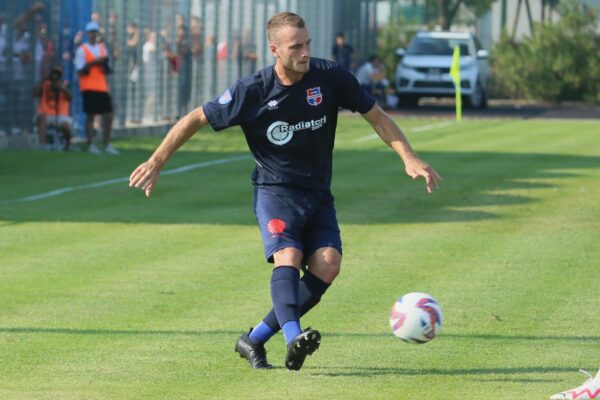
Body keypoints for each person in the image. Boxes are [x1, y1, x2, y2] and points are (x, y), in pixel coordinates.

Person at [128, 12, 440, 371]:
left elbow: (378, 117)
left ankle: (255, 338)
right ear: (275, 50)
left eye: (307, 44)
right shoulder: (252, 90)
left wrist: (409, 158)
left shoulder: (330, 76)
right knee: (288, 257)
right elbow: (195, 118)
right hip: (275, 193)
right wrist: (156, 162)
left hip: (318, 194)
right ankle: (293, 337)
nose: (305, 52)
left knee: (328, 266)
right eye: (296, 47)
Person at [74, 21, 119, 154]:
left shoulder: (102, 49)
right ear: (87, 34)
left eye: (95, 32)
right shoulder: (82, 50)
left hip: (102, 87)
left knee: (109, 116)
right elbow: (81, 70)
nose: (93, 35)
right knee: (91, 116)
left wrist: (104, 64)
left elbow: (106, 70)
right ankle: (90, 144)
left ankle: (106, 144)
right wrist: (95, 62)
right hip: (88, 87)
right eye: (91, 32)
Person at [33, 65, 72, 150]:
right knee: (42, 118)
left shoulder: (65, 83)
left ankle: (68, 145)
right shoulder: (45, 83)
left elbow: (70, 97)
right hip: (45, 113)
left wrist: (61, 88)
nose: (55, 76)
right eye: (54, 73)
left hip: (61, 115)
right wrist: (43, 80)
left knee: (66, 126)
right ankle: (42, 145)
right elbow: (34, 94)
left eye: (57, 73)